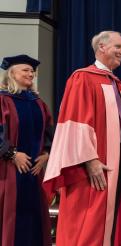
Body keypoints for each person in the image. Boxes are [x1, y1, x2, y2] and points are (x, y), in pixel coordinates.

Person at [43, 31, 121, 245]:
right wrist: (90, 160)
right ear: (102, 47)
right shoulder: (83, 78)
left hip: (118, 163)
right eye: (118, 47)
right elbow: (76, 125)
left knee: (115, 216)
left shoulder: (117, 83)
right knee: (90, 220)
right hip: (93, 165)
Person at [0, 54, 53, 246]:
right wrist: (13, 154)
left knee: (34, 217)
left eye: (33, 71)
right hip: (7, 171)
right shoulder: (3, 100)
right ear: (12, 73)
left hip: (34, 172)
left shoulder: (38, 103)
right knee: (10, 219)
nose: (31, 74)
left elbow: (49, 132)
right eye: (26, 70)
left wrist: (46, 155)